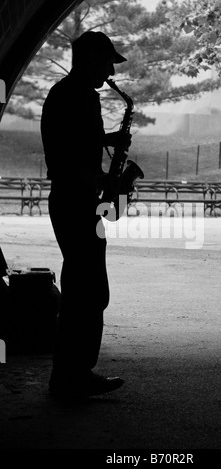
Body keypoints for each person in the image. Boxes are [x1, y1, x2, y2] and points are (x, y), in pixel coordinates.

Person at [41, 31, 129, 398]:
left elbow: (77, 143)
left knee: (86, 290)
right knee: (86, 293)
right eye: (108, 61)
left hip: (76, 200)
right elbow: (70, 159)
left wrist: (109, 141)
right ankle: (72, 376)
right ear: (92, 59)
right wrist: (111, 183)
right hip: (78, 201)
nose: (111, 70)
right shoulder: (77, 97)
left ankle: (72, 373)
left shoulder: (70, 94)